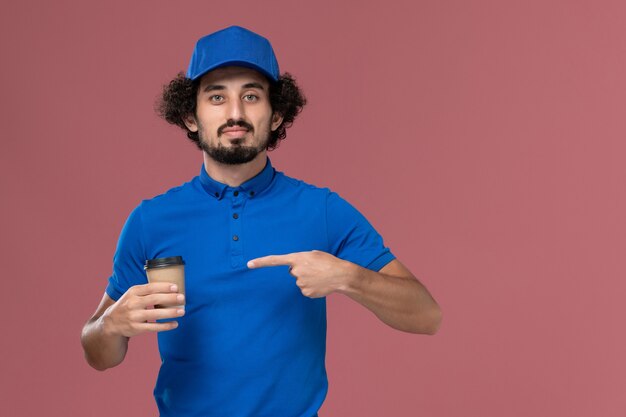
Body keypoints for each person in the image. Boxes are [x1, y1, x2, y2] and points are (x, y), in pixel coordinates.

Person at [81, 25, 442, 417]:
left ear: (276, 115)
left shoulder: (321, 209)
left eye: (251, 96)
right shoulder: (150, 221)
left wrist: (347, 277)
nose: (235, 113)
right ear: (190, 116)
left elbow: (427, 315)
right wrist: (112, 326)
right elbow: (98, 354)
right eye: (217, 97)